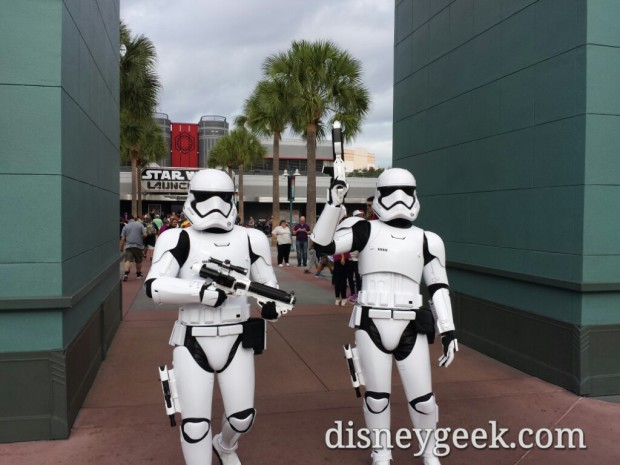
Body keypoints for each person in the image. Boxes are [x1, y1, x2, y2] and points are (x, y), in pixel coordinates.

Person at [311, 168, 458, 465]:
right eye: (391, 191)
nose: (399, 198)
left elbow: (439, 286)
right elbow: (323, 245)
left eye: (406, 190)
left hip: (410, 323)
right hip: (371, 321)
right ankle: (381, 452)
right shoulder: (364, 229)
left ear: (415, 194)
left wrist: (448, 329)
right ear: (379, 195)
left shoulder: (428, 239)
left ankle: (429, 452)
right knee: (377, 397)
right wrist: (333, 203)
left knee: (425, 400)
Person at [144, 169, 287, 465]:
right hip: (193, 338)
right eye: (206, 197)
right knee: (195, 424)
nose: (215, 205)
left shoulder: (251, 238)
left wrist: (271, 306)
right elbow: (154, 286)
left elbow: (267, 285)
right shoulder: (177, 237)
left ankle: (224, 445)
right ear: (192, 198)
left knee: (242, 418)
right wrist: (201, 291)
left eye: (222, 198)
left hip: (238, 339)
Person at [119, 215, 147, 281]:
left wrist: (121, 247)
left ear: (128, 220)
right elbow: (145, 235)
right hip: (138, 246)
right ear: (134, 219)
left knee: (127, 260)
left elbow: (123, 238)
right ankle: (138, 274)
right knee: (138, 261)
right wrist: (141, 236)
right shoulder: (140, 225)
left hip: (129, 246)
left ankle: (126, 274)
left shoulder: (125, 227)